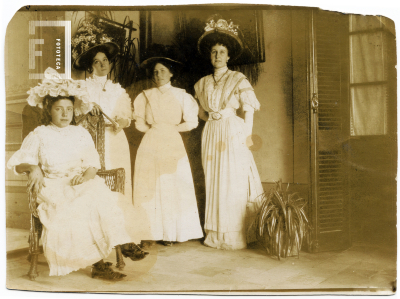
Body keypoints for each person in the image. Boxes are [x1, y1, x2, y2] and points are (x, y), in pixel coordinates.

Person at [7, 68, 148, 279]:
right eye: (59, 109)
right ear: (49, 110)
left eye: (69, 109)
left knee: (96, 196)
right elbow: (18, 164)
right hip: (53, 186)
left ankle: (111, 254)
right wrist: (34, 167)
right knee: (87, 202)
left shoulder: (80, 133)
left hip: (80, 182)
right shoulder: (39, 134)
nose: (65, 114)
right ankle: (111, 254)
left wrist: (85, 177)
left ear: (74, 110)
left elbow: (93, 164)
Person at [194, 17, 264, 250]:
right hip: (211, 132)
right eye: (214, 52)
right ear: (209, 55)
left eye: (221, 52)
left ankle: (233, 236)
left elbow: (249, 107)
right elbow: (201, 113)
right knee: (213, 179)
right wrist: (212, 118)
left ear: (229, 56)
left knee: (231, 180)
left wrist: (246, 136)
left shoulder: (238, 78)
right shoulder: (201, 83)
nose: (217, 56)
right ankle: (215, 235)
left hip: (233, 132)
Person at [133, 56, 204, 247]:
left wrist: (170, 130)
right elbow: (139, 123)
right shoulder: (145, 96)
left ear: (171, 73)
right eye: (155, 72)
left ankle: (170, 233)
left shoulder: (182, 95)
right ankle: (149, 232)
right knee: (150, 184)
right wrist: (154, 131)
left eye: (163, 70)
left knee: (170, 183)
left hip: (172, 141)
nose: (158, 75)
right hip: (151, 141)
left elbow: (192, 122)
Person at [72, 23, 134, 202]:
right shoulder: (83, 88)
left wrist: (121, 123)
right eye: (96, 62)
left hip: (115, 139)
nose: (102, 65)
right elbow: (78, 115)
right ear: (91, 66)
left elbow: (125, 116)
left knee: (117, 175)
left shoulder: (118, 89)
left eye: (105, 60)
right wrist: (90, 109)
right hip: (92, 139)